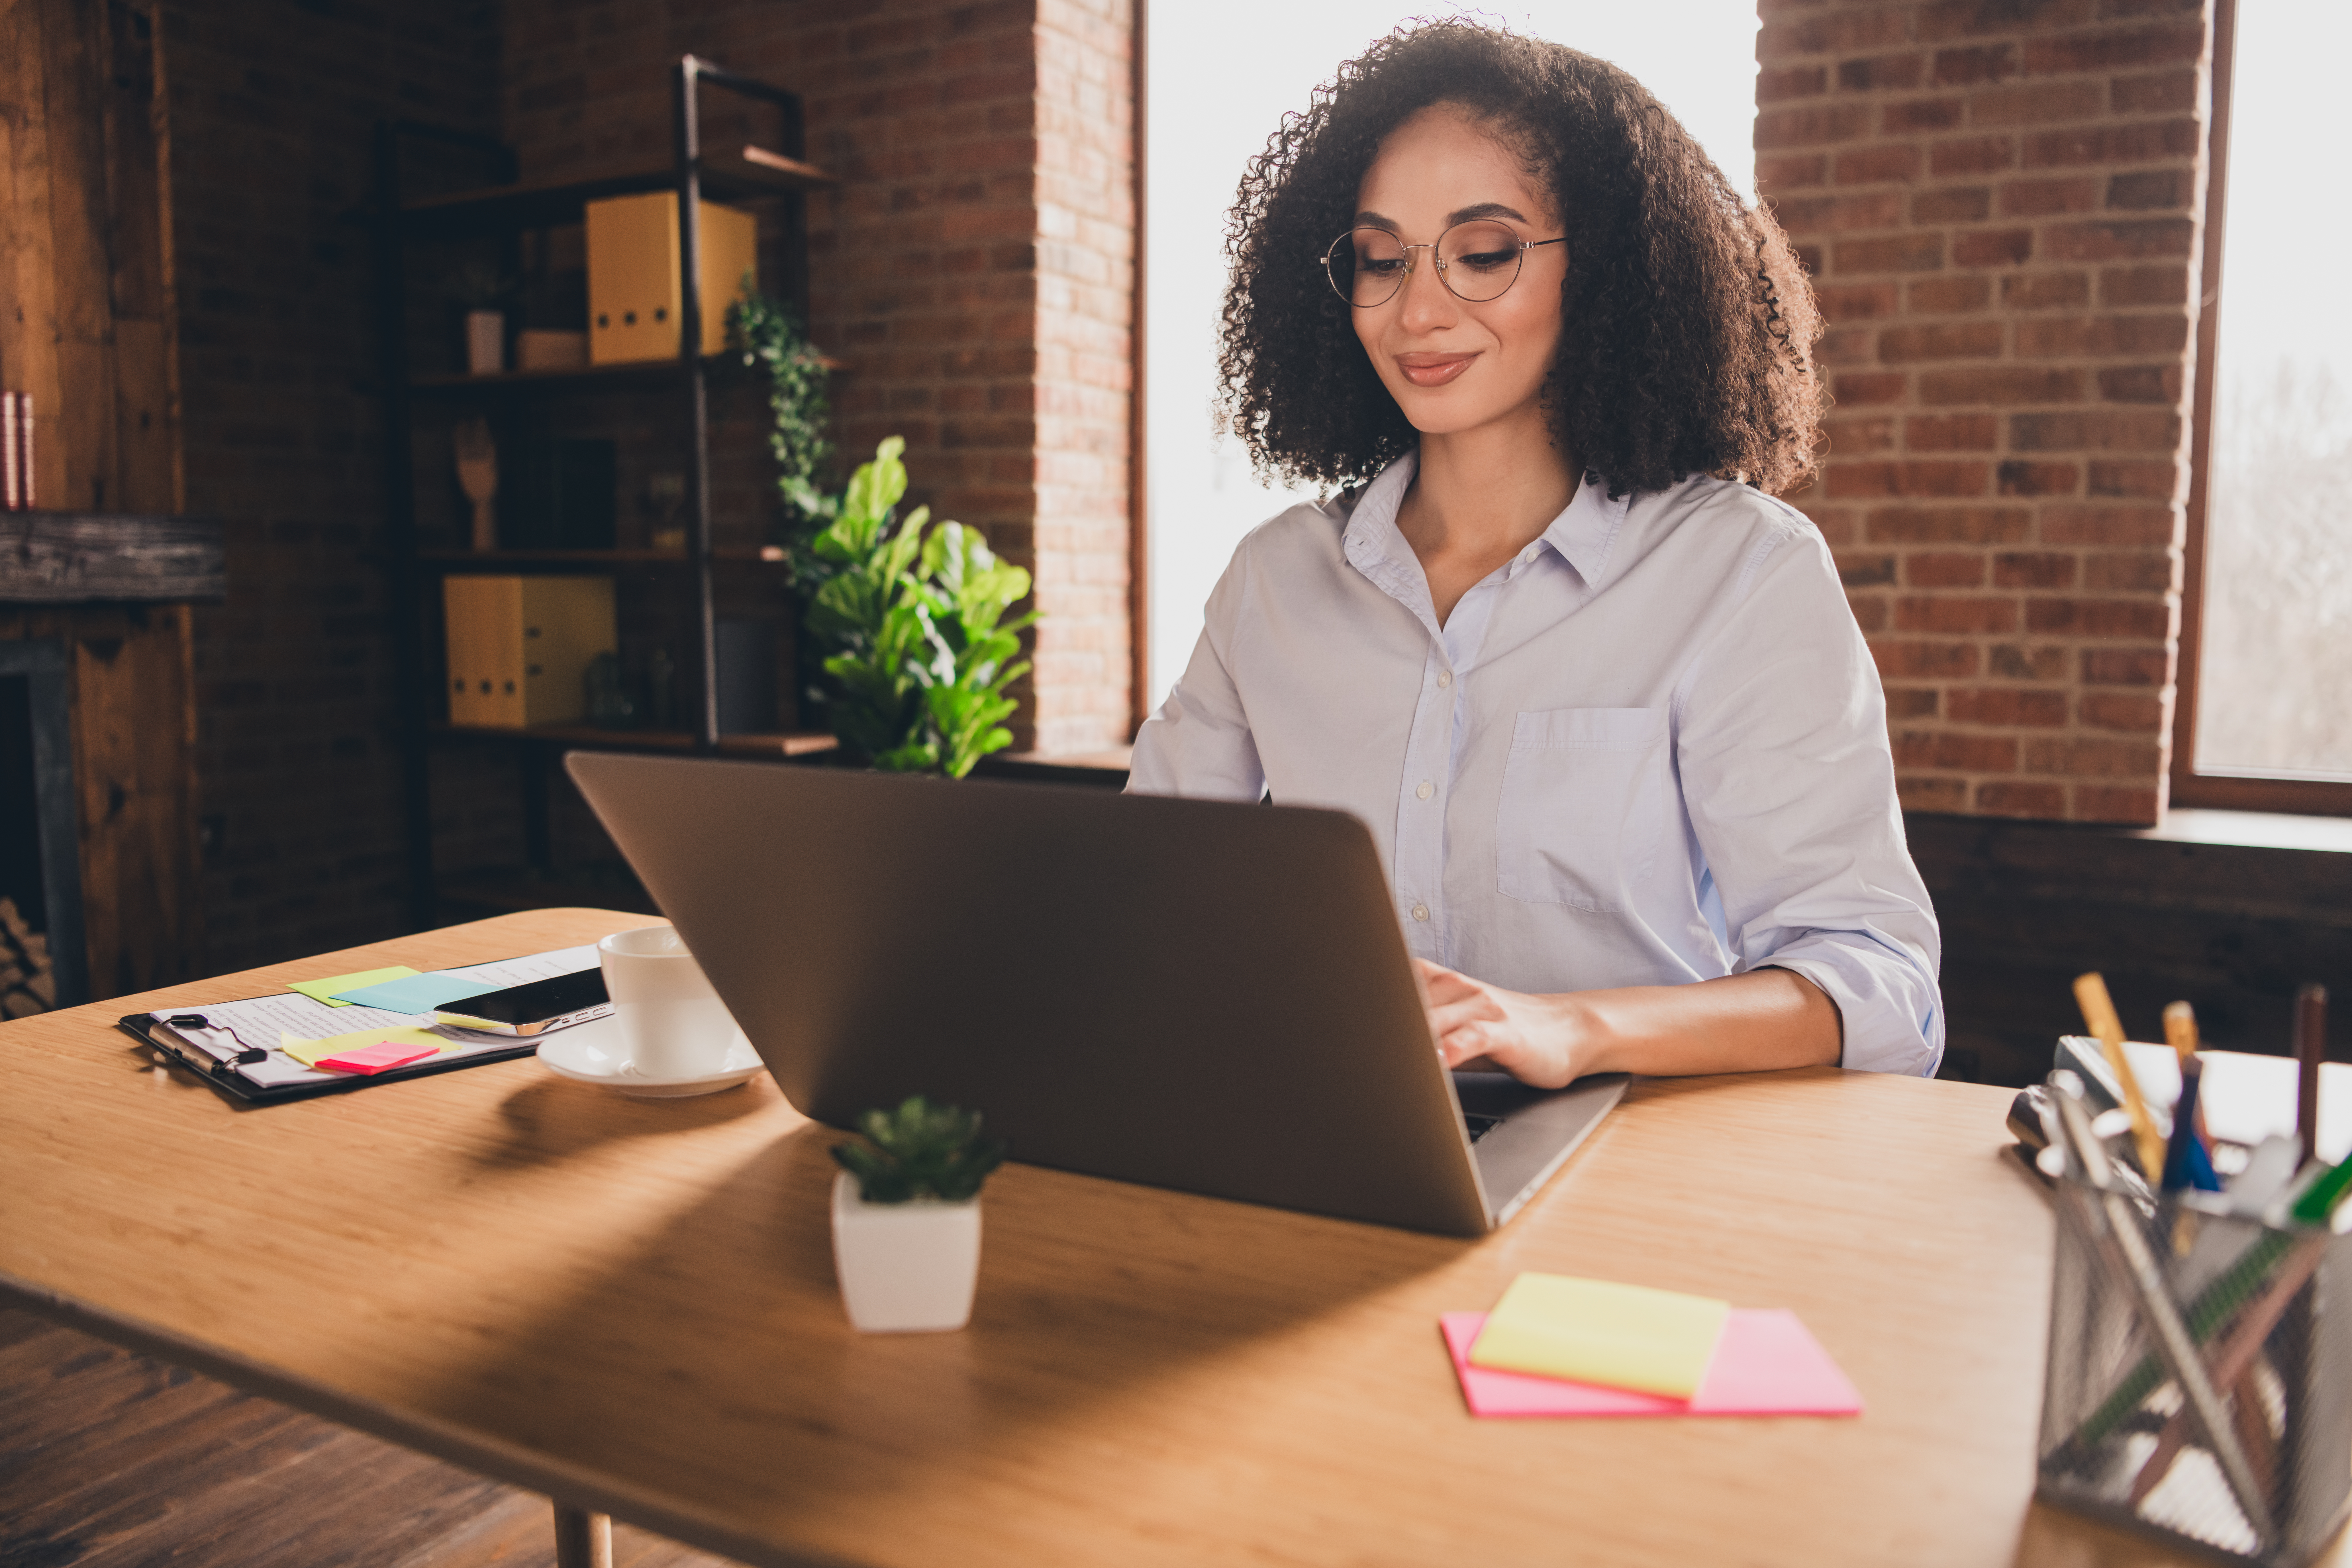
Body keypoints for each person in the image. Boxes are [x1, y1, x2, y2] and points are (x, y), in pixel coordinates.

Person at [1127, 22, 1943, 1086]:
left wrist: (1569, 1028)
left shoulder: (1739, 572)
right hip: (1338, 1136)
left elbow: (1876, 979)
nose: (1419, 310)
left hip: (1636, 1157)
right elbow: (1143, 900)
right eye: (1382, 260)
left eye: (1484, 253)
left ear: (1600, 271)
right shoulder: (1274, 584)